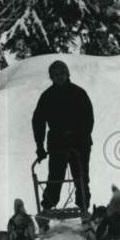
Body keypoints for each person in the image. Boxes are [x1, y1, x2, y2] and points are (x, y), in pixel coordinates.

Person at [32, 60, 94, 218]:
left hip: (79, 143)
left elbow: (88, 119)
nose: (59, 77)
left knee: (81, 176)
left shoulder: (79, 93)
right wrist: (39, 146)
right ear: (51, 77)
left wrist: (80, 136)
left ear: (68, 74)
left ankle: (83, 208)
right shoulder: (47, 96)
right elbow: (38, 121)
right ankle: (47, 209)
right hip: (57, 143)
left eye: (62, 74)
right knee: (55, 177)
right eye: (56, 75)